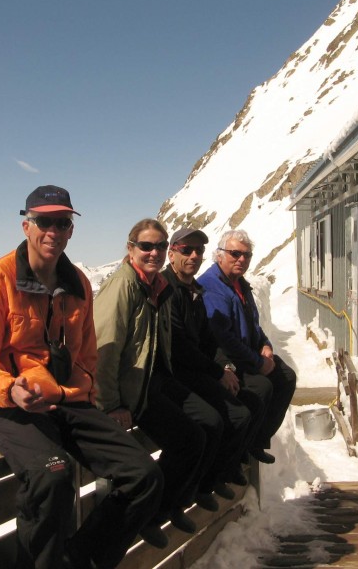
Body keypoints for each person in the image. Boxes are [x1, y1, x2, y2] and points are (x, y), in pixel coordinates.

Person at [0, 186, 163, 569]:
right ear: (26, 226)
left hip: (69, 401)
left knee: (144, 475)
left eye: (62, 222)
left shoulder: (79, 284)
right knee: (53, 476)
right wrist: (9, 389)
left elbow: (86, 353)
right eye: (44, 221)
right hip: (10, 407)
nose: (53, 230)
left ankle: (80, 559)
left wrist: (82, 391)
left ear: (71, 230)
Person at [93, 219, 225, 548]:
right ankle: (149, 515)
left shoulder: (152, 286)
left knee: (208, 424)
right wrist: (111, 405)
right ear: (130, 249)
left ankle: (168, 506)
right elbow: (103, 350)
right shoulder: (124, 286)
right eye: (146, 246)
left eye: (160, 246)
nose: (154, 252)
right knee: (188, 439)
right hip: (132, 392)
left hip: (154, 381)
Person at [161, 227, 264, 490]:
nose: (194, 255)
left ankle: (210, 480)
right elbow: (180, 346)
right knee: (215, 421)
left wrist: (225, 367)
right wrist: (219, 372)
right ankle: (189, 490)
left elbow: (209, 339)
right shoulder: (166, 291)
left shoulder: (193, 289)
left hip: (195, 369)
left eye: (198, 250)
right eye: (186, 250)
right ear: (171, 255)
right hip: (174, 374)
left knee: (244, 406)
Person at [199, 229, 297, 464]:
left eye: (246, 255)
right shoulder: (213, 287)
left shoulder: (240, 284)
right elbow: (223, 338)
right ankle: (239, 451)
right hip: (227, 360)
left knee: (286, 377)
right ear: (219, 255)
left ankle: (256, 440)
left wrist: (265, 344)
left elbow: (253, 324)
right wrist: (257, 363)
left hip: (249, 352)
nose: (241, 259)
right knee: (262, 388)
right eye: (235, 253)